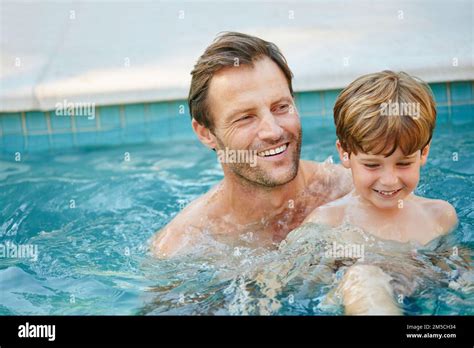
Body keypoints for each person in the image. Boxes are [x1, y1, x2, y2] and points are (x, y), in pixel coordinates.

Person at [151, 32, 352, 258]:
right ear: (206, 133)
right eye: (245, 117)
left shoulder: (352, 191)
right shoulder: (184, 246)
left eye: (281, 107)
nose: (273, 131)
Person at [299, 70, 459, 314]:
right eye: (372, 165)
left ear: (423, 154)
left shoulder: (440, 216)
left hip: (421, 300)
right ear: (345, 154)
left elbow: (456, 278)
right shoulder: (328, 222)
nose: (389, 180)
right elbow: (303, 290)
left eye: (404, 163)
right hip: (360, 301)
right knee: (364, 277)